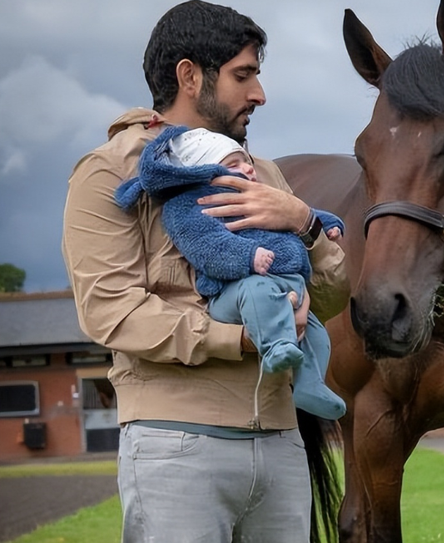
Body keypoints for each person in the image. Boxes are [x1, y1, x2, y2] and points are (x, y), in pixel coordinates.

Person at [61, 2, 349, 542]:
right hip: (176, 446)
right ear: (189, 76)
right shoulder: (110, 171)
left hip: (284, 441)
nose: (259, 93)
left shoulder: (264, 174)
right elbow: (111, 311)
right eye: (244, 75)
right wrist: (241, 337)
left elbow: (331, 300)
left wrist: (305, 223)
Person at [114, 125, 347, 421]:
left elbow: (301, 213)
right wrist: (249, 257)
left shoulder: (259, 193)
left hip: (284, 284)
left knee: (316, 332)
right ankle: (277, 348)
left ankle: (311, 385)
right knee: (258, 293)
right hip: (235, 289)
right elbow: (208, 247)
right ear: (205, 171)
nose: (247, 168)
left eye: (245, 161)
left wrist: (323, 223)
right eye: (233, 164)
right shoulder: (191, 205)